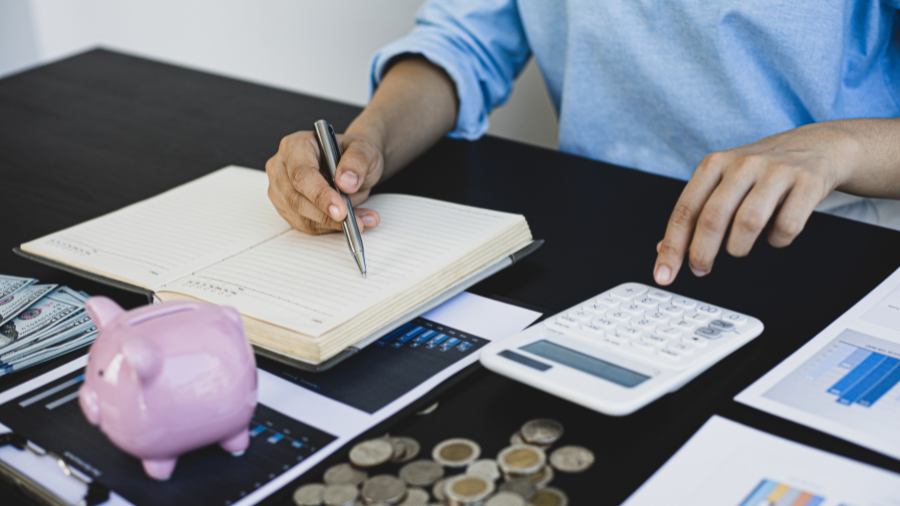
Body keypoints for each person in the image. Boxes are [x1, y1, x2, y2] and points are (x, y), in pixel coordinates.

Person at [266, 1, 900, 286]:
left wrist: (840, 146)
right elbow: (464, 41)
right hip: (596, 240)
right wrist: (368, 140)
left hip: (820, 250)